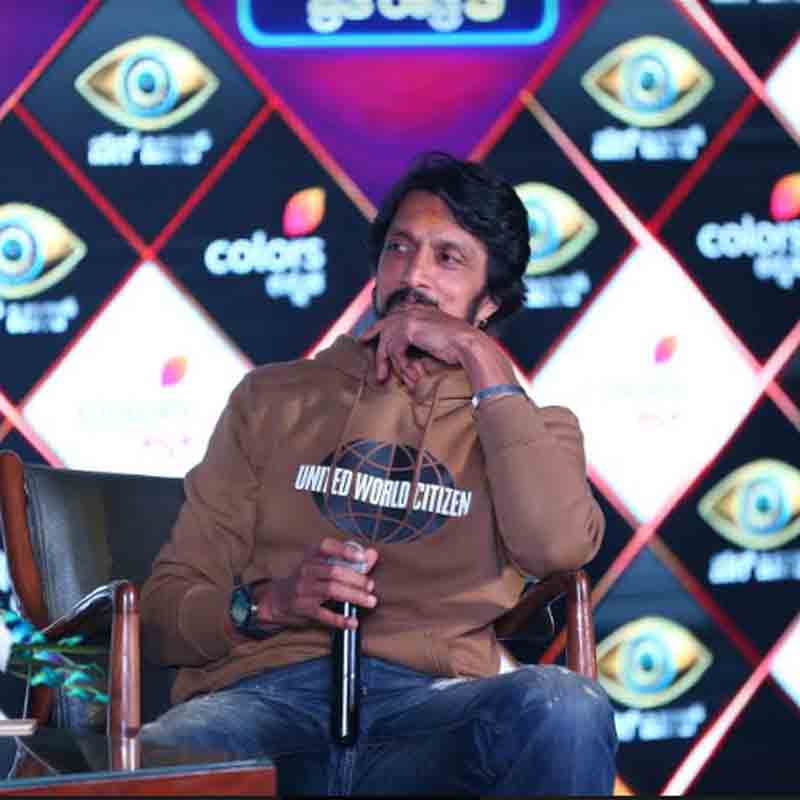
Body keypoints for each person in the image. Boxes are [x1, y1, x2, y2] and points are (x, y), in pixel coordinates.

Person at [138, 152, 618, 795]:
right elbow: (163, 613)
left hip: (431, 713)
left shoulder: (534, 429)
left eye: (448, 258)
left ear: (491, 301)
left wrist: (478, 358)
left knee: (566, 709)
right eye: (399, 248)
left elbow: (555, 549)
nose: (413, 275)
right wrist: (269, 603)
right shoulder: (271, 399)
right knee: (173, 747)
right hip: (265, 701)